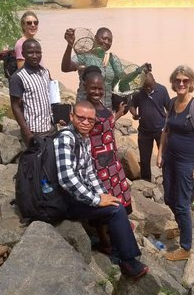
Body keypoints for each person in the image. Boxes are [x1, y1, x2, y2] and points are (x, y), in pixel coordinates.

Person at [54, 100, 148, 279]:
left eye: (90, 120)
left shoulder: (84, 138)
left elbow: (90, 172)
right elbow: (66, 179)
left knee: (113, 201)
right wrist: (97, 200)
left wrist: (103, 194)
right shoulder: (66, 138)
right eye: (81, 118)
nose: (86, 123)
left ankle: (120, 250)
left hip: (79, 196)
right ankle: (128, 261)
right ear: (71, 117)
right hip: (66, 201)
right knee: (116, 210)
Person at [157, 65, 194, 261]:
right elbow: (166, 130)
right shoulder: (171, 104)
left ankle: (185, 248)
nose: (181, 83)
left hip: (187, 163)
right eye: (178, 80)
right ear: (173, 83)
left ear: (191, 84)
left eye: (185, 80)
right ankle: (181, 227)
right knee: (169, 199)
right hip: (170, 159)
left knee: (182, 204)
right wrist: (160, 153)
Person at [61, 27, 151, 109]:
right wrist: (69, 45)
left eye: (109, 40)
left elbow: (124, 80)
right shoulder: (84, 55)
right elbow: (66, 68)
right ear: (95, 38)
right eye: (103, 38)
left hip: (106, 108)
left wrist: (139, 71)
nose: (106, 42)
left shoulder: (112, 59)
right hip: (85, 107)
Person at [83, 66, 132, 213]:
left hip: (112, 161)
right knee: (104, 198)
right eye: (93, 88)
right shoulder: (87, 109)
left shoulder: (101, 105)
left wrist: (117, 115)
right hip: (98, 164)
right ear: (85, 87)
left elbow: (104, 125)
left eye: (100, 88)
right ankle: (104, 235)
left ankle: (119, 224)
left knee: (119, 193)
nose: (97, 92)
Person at [9, 38, 54, 146]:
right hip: (35, 130)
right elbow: (15, 106)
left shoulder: (45, 72)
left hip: (50, 127)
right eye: (31, 53)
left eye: (38, 52)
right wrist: (27, 132)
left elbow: (49, 96)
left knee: (51, 160)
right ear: (23, 54)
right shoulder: (18, 77)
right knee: (36, 161)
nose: (35, 56)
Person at [129, 72, 170, 182]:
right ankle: (146, 181)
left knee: (165, 157)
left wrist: (168, 124)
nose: (148, 89)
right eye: (145, 86)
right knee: (145, 158)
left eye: (150, 86)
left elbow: (169, 107)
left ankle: (168, 179)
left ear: (154, 81)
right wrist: (134, 114)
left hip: (160, 130)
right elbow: (132, 104)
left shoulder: (162, 90)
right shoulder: (138, 91)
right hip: (144, 131)